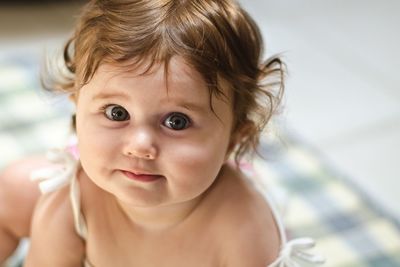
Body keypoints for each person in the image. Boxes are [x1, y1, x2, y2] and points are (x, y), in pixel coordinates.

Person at [0, 0, 325, 266]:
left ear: (234, 139)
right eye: (117, 113)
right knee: (14, 188)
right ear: (77, 105)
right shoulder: (70, 201)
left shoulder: (244, 227)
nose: (140, 146)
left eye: (177, 122)